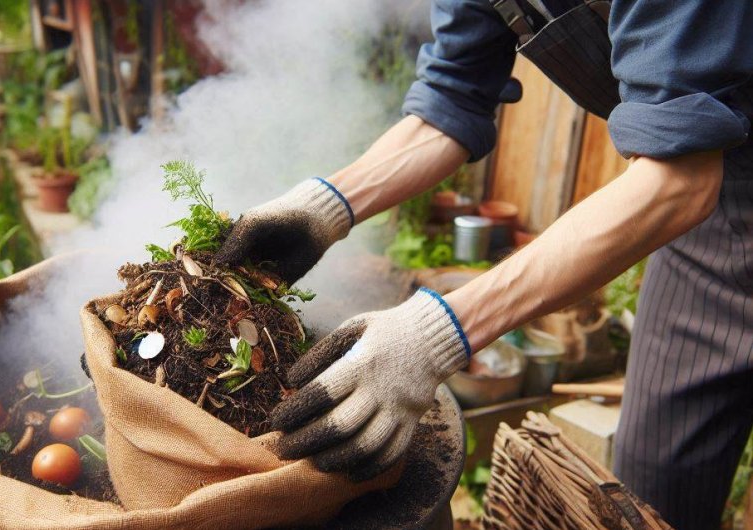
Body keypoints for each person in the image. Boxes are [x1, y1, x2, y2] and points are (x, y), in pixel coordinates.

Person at [216, 1, 753, 528]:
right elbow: (450, 100)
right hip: (713, 228)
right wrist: (322, 208)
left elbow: (677, 179)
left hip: (686, 185)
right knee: (650, 496)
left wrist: (432, 337)